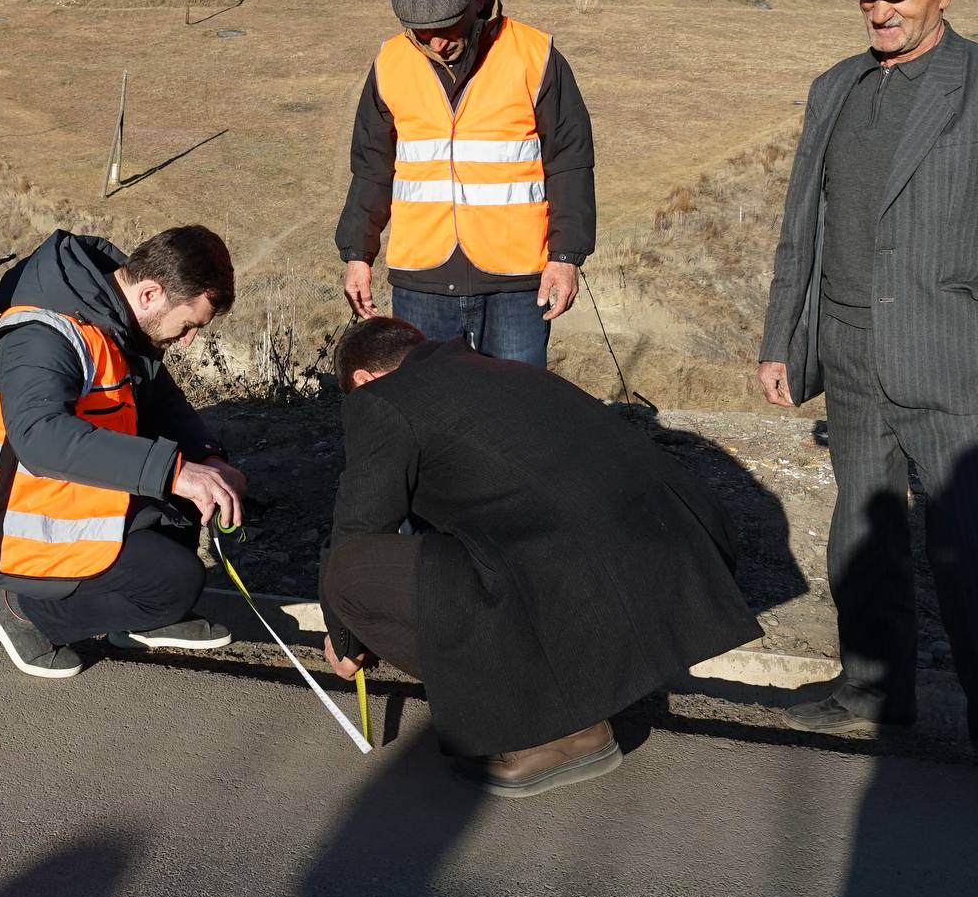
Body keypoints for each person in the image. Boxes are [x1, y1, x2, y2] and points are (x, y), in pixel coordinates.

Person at [754, 0, 978, 833]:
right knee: (860, 538)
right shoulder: (834, 90)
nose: (880, 8)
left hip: (957, 367)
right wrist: (786, 338)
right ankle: (873, 686)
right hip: (853, 359)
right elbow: (801, 230)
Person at [316, 316, 760, 798]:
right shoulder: (503, 370)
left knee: (349, 572)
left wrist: (346, 636)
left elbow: (358, 531)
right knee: (487, 557)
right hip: (683, 559)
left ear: (362, 380)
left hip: (583, 572)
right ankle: (585, 690)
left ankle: (548, 730)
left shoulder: (381, 400)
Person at [0, 226, 247, 679]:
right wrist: (174, 473)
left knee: (188, 505)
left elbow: (163, 406)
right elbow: (41, 438)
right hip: (18, 532)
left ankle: (131, 620)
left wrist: (209, 459)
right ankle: (23, 611)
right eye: (188, 325)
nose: (188, 340)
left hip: (68, 505)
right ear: (150, 293)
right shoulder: (41, 336)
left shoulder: (117, 322)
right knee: (175, 582)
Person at [336, 0, 594, 367]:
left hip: (516, 278)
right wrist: (357, 255)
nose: (436, 43)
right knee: (431, 411)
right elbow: (371, 168)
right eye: (421, 32)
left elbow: (570, 162)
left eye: (447, 27)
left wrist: (566, 258)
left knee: (515, 407)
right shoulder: (389, 62)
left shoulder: (536, 56)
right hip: (421, 279)